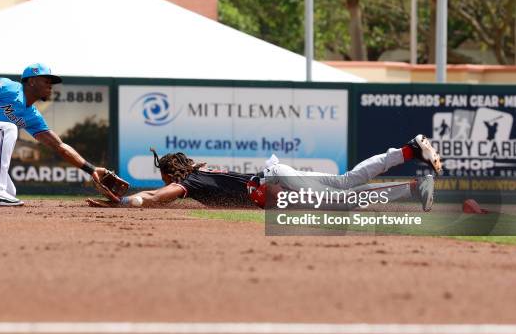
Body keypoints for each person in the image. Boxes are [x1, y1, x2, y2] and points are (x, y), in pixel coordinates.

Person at [0, 63, 125, 206]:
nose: (50, 84)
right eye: (46, 80)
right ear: (31, 81)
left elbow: (59, 146)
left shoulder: (32, 116)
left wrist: (91, 169)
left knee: (10, 190)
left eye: (52, 81)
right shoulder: (11, 88)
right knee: (9, 128)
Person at [86, 134, 442, 212]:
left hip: (273, 184)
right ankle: (410, 156)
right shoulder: (197, 174)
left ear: (172, 173)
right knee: (345, 186)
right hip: (275, 179)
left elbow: (157, 197)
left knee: (342, 198)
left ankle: (412, 184)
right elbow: (158, 195)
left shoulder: (188, 181)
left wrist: (123, 203)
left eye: (167, 177)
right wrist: (129, 195)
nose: (168, 183)